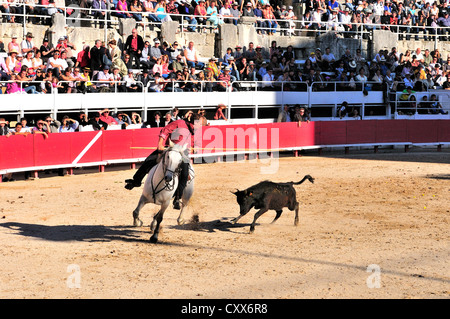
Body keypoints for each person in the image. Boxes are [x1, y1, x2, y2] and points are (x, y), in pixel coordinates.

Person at [124, 113, 205, 210]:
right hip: (170, 148)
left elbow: (197, 144)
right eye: (200, 125)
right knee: (150, 160)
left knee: (185, 173)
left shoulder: (196, 131)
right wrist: (160, 144)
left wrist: (196, 148)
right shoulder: (179, 123)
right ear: (194, 122)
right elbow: (165, 130)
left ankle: (177, 198)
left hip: (183, 154)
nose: (200, 127)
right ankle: (136, 181)